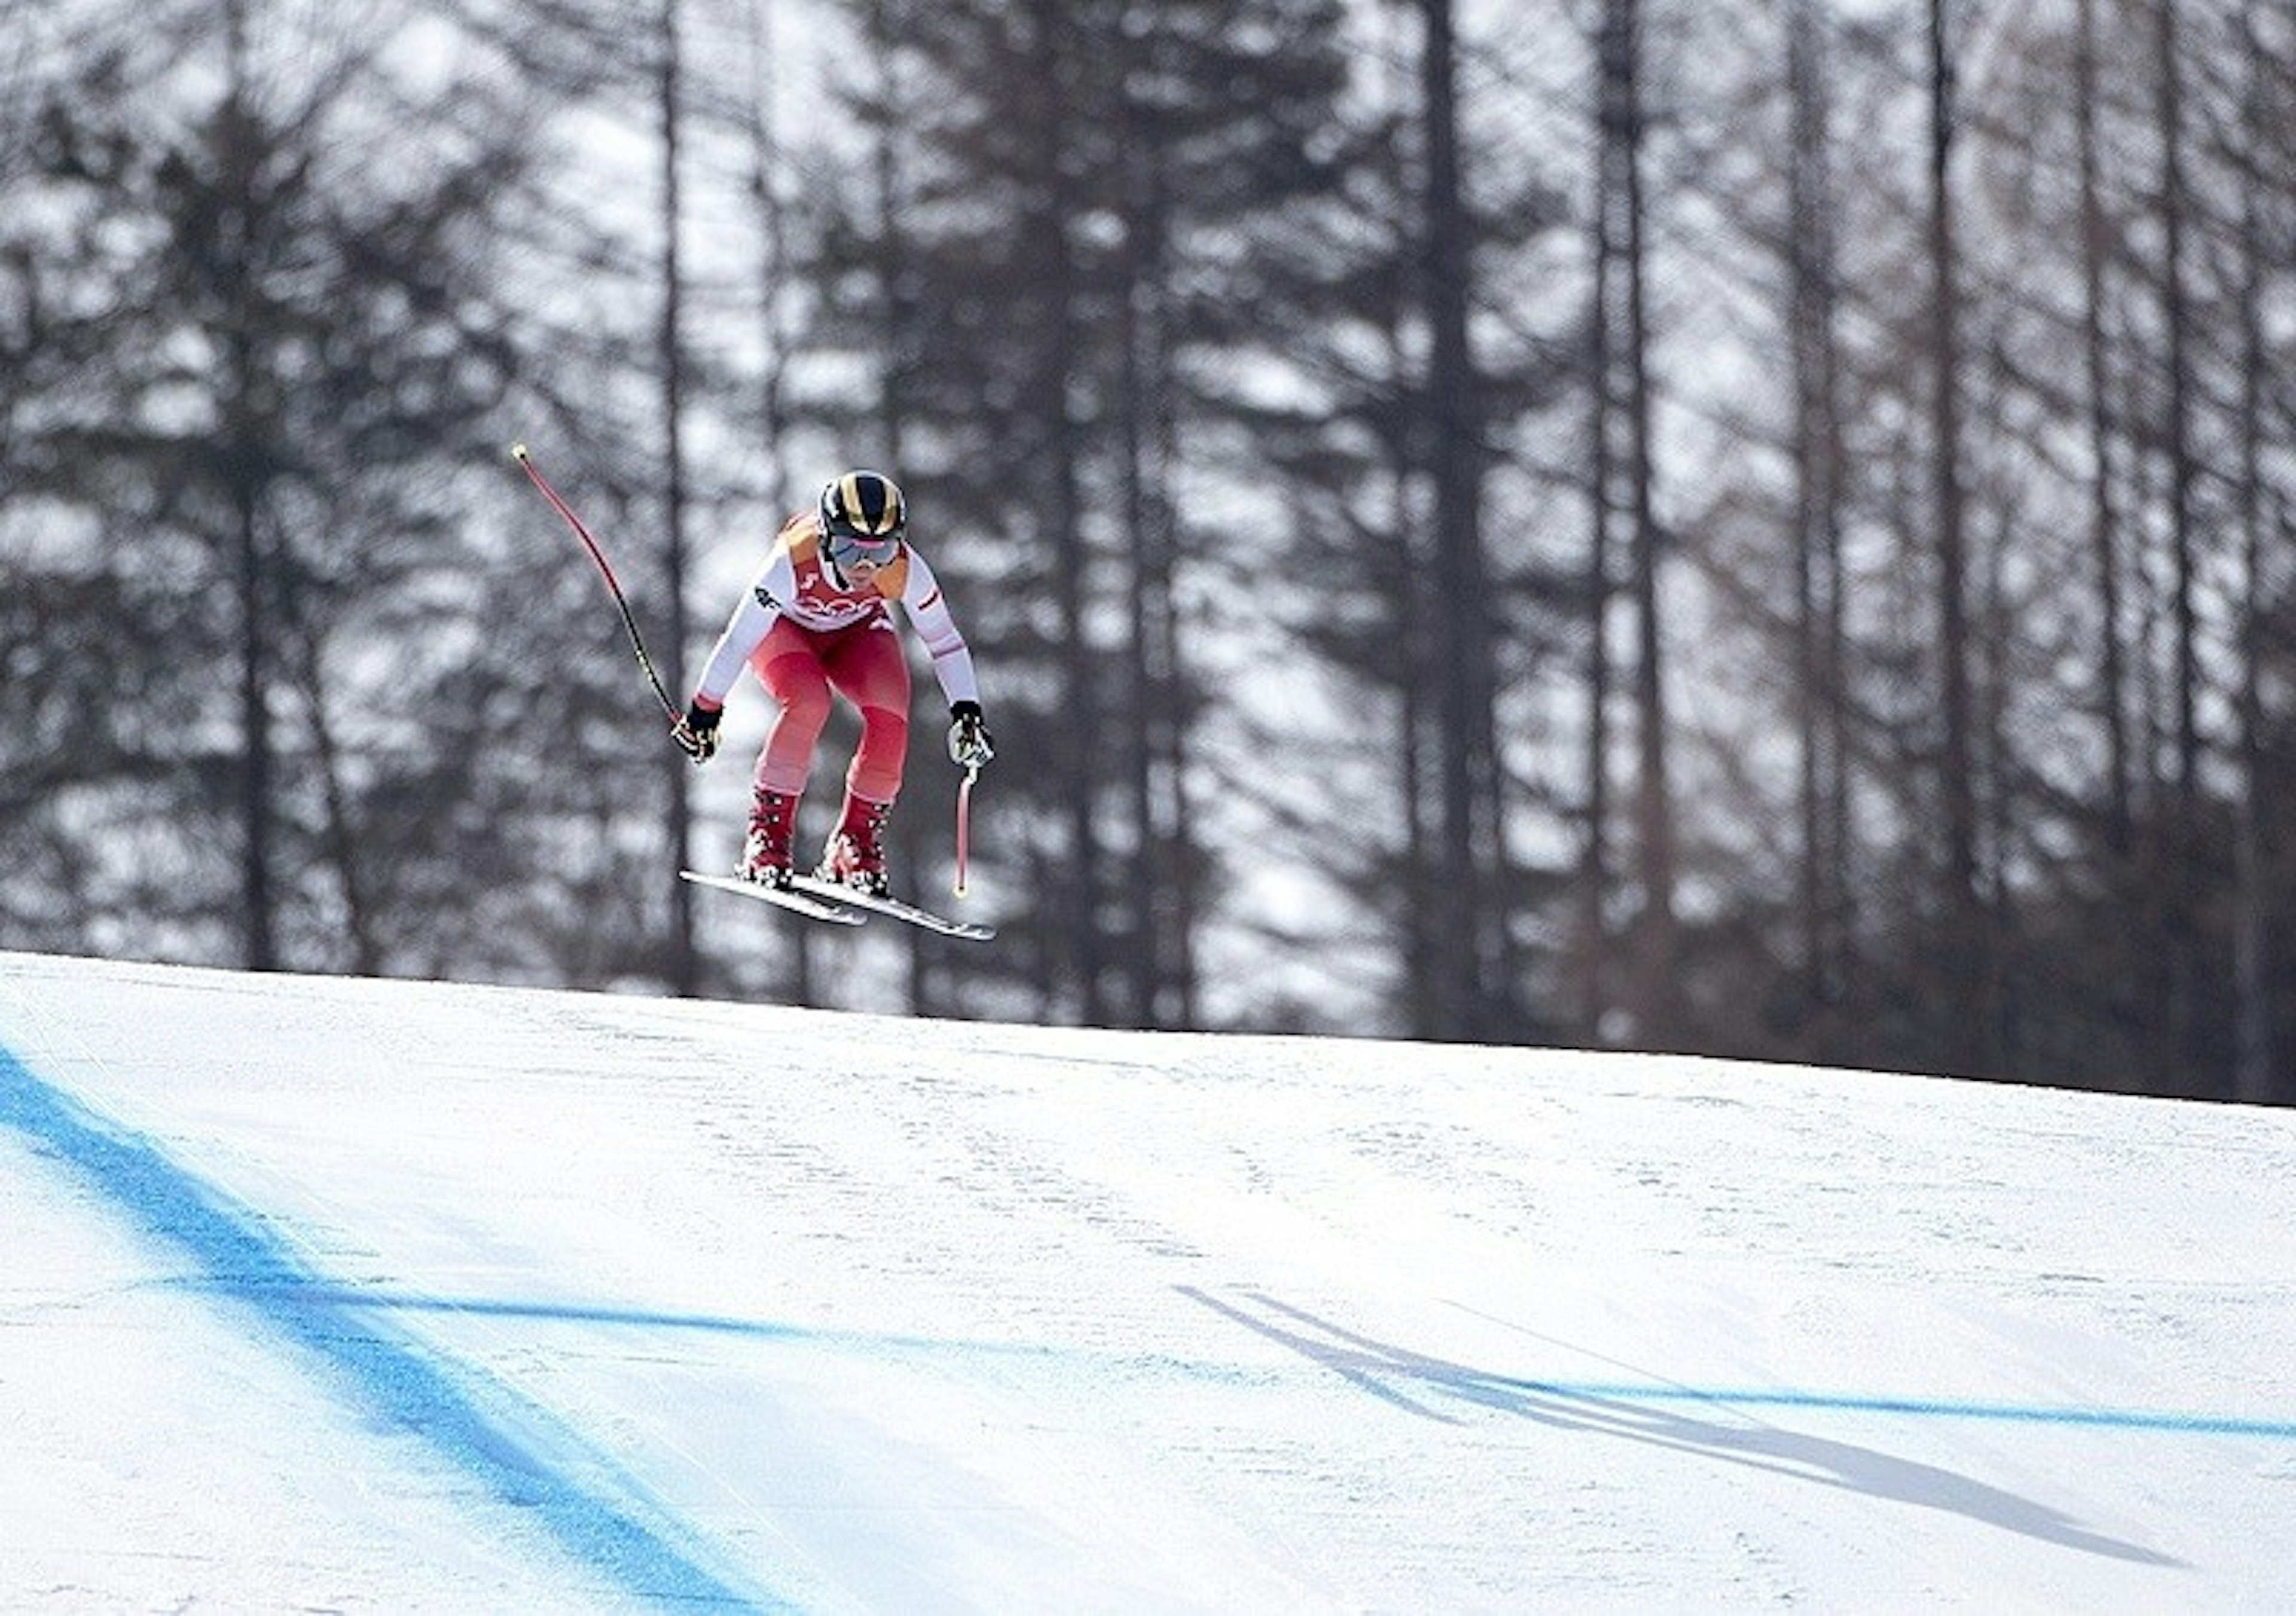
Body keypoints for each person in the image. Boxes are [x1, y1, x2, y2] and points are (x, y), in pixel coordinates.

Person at [671, 469, 993, 896]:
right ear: (826, 538)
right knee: (809, 702)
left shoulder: (905, 570)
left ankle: (854, 841)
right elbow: (739, 639)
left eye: (880, 553)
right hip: (786, 632)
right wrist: (705, 711)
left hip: (855, 633)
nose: (864, 567)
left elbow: (945, 641)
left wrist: (967, 711)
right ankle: (768, 837)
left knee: (892, 715)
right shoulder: (792, 561)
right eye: (847, 549)